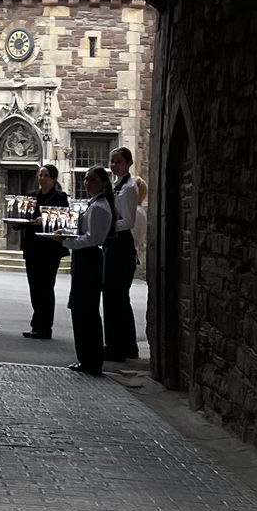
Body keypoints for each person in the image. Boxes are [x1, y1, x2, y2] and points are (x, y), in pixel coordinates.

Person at [67, 165, 117, 375]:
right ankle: (86, 358)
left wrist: (67, 242)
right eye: (86, 179)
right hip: (84, 259)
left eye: (92, 179)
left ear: (103, 183)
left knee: (86, 311)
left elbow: (92, 239)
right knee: (81, 310)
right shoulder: (94, 204)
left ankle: (90, 360)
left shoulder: (99, 207)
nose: (87, 183)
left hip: (89, 260)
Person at [20, 162, 70, 340]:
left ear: (54, 179)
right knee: (34, 287)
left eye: (46, 175)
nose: (42, 178)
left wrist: (46, 220)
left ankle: (44, 327)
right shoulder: (32, 196)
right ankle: (37, 324)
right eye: (40, 175)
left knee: (46, 287)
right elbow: (21, 220)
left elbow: (64, 221)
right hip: (33, 248)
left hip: (49, 249)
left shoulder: (60, 197)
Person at [105, 145, 142, 362]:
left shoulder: (128, 188)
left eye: (118, 161)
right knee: (115, 298)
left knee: (116, 297)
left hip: (121, 245)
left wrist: (106, 227)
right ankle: (123, 345)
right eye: (111, 161)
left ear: (128, 163)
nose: (113, 165)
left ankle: (118, 346)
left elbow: (128, 221)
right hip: (113, 243)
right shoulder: (116, 185)